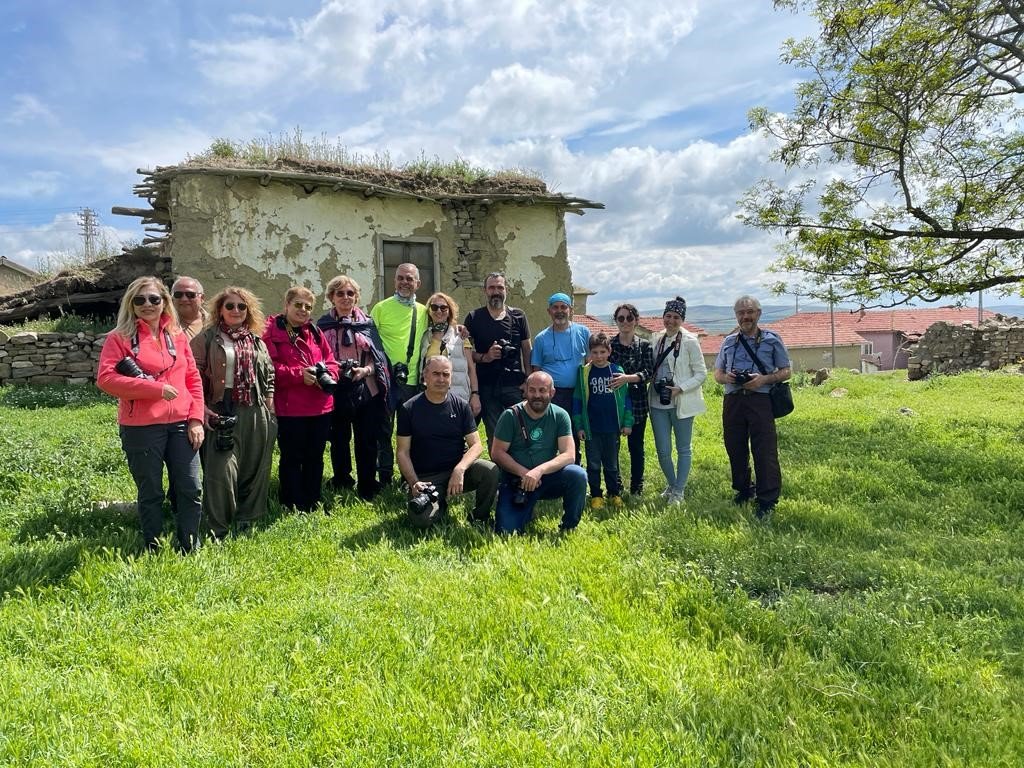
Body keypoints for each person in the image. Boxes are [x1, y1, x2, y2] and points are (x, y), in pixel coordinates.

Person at [96, 276, 204, 552]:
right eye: (140, 300)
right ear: (130, 304)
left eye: (154, 299)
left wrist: (196, 419)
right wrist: (155, 389)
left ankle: (190, 546)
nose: (148, 304)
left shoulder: (177, 336)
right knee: (151, 492)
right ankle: (154, 548)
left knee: (190, 487)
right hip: (141, 428)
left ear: (164, 302)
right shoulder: (119, 338)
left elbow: (193, 379)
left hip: (181, 424)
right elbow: (106, 379)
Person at [191, 286, 277, 539]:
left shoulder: (257, 341)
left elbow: (269, 374)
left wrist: (269, 402)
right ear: (220, 310)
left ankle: (248, 519)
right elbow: (192, 374)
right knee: (221, 470)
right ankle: (218, 527)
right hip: (220, 409)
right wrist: (201, 407)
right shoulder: (207, 338)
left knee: (255, 467)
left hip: (255, 408)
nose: (236, 310)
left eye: (242, 306)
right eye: (230, 305)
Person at [713, 295, 792, 520]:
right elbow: (717, 373)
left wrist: (763, 379)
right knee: (735, 447)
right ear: (736, 315)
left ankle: (767, 499)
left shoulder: (772, 340)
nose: (745, 316)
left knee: (764, 450)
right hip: (733, 400)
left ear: (759, 313)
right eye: (741, 312)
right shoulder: (729, 342)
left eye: (750, 312)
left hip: (761, 399)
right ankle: (744, 489)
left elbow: (786, 371)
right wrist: (726, 378)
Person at [396, 356, 499, 527]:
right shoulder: (409, 409)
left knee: (490, 470)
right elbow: (402, 452)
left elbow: (476, 445)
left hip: (457, 471)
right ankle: (440, 503)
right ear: (425, 376)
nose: (441, 379)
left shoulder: (461, 406)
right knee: (421, 521)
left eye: (446, 374)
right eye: (436, 374)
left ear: (451, 378)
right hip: (427, 478)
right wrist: (414, 482)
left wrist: (460, 469)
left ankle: (480, 516)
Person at [263, 286, 338, 513]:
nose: (303, 310)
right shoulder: (271, 331)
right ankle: (292, 502)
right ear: (286, 305)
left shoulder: (314, 331)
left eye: (308, 307)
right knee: (292, 457)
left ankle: (313, 500)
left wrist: (330, 375)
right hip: (291, 408)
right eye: (298, 305)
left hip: (320, 406)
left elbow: (330, 360)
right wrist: (298, 375)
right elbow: (268, 368)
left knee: (315, 456)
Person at [317, 275, 390, 501]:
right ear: (331, 297)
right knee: (339, 438)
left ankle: (367, 482)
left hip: (366, 387)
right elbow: (317, 358)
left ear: (356, 297)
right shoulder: (322, 325)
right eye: (340, 293)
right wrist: (334, 370)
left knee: (367, 438)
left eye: (350, 293)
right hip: (336, 388)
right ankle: (342, 479)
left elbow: (378, 358)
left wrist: (365, 370)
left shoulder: (367, 324)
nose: (345, 298)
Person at [491, 371, 588, 534]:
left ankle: (569, 526)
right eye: (532, 390)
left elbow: (569, 455)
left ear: (552, 392)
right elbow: (497, 453)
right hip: (517, 480)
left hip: (547, 478)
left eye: (542, 390)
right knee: (507, 532)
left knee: (577, 474)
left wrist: (539, 471)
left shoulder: (560, 415)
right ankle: (524, 510)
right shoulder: (510, 415)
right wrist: (524, 473)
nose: (537, 395)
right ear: (525, 391)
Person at [370, 263, 428, 486]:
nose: (405, 282)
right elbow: (369, 342)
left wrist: (460, 329)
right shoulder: (380, 308)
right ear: (394, 281)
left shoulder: (424, 312)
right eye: (400, 278)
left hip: (411, 382)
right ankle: (384, 476)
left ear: (418, 284)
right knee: (382, 431)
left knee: (410, 433)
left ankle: (407, 478)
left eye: (409, 279)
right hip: (385, 381)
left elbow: (443, 328)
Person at [648, 297, 706, 505]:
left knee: (683, 448)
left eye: (676, 317)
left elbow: (701, 374)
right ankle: (672, 484)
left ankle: (679, 490)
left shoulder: (690, 341)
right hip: (657, 402)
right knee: (663, 450)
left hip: (682, 401)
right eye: (668, 316)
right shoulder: (657, 339)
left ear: (682, 320)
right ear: (663, 316)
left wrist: (680, 388)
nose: (671, 321)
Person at [463, 272, 532, 447]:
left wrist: (528, 380)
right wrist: (485, 357)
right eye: (492, 288)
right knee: (495, 435)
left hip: (514, 385)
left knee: (521, 431)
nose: (496, 292)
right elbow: (466, 353)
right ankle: (498, 465)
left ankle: (519, 465)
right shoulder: (474, 317)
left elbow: (527, 350)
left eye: (500, 287)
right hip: (487, 386)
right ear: (485, 290)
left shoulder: (518, 316)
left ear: (506, 289)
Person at [572, 333, 633, 509]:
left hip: (612, 427)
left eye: (602, 352)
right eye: (595, 352)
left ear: (609, 351)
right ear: (589, 353)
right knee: (593, 464)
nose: (599, 356)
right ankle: (596, 495)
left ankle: (614, 493)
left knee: (612, 464)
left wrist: (627, 422)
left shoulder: (616, 371)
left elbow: (626, 398)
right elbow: (578, 400)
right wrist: (579, 426)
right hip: (592, 428)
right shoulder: (584, 373)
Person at [530, 292, 590, 464]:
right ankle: (548, 470)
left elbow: (590, 361)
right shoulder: (541, 338)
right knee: (550, 433)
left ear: (571, 310)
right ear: (549, 311)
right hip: (552, 395)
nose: (559, 311)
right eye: (555, 307)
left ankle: (574, 468)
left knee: (575, 432)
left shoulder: (583, 332)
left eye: (563, 307)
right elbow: (536, 370)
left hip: (578, 393)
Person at [609, 303, 654, 495]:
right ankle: (615, 486)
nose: (625, 321)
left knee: (636, 447)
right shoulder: (609, 346)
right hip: (613, 403)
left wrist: (627, 378)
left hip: (637, 404)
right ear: (616, 321)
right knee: (612, 448)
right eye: (621, 318)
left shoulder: (645, 345)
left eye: (629, 318)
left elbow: (649, 372)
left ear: (636, 321)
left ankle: (637, 488)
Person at [420, 291, 479, 415]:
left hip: (457, 397)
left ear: (449, 311)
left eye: (443, 308)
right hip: (430, 398)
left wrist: (475, 394)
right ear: (429, 311)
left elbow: (471, 369)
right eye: (434, 307)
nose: (439, 311)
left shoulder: (460, 336)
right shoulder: (424, 337)